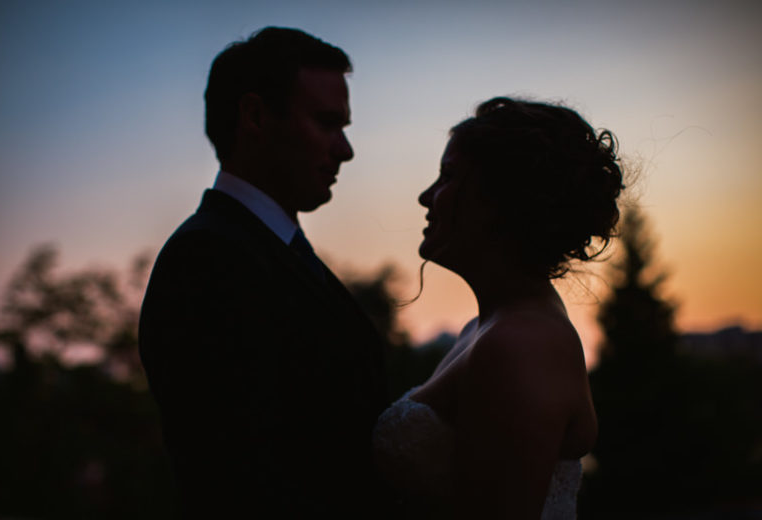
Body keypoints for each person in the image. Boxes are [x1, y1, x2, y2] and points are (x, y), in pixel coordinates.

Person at [139, 27, 389, 518]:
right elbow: (243, 474)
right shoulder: (208, 261)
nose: (345, 150)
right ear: (254, 116)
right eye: (326, 122)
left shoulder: (269, 250)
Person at [373, 97, 624, 518]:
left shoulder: (522, 345)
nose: (425, 196)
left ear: (500, 200)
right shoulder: (485, 327)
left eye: (447, 176)